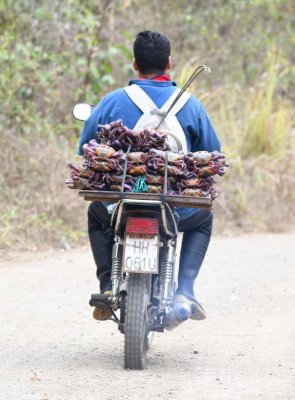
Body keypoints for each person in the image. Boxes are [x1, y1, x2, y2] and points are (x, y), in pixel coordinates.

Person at [79, 31, 221, 321]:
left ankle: (107, 286)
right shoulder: (191, 105)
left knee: (96, 213)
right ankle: (185, 291)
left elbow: (86, 147)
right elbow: (212, 152)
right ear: (169, 64)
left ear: (134, 64)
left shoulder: (112, 101)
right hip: (173, 203)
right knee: (204, 219)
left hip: (123, 198)